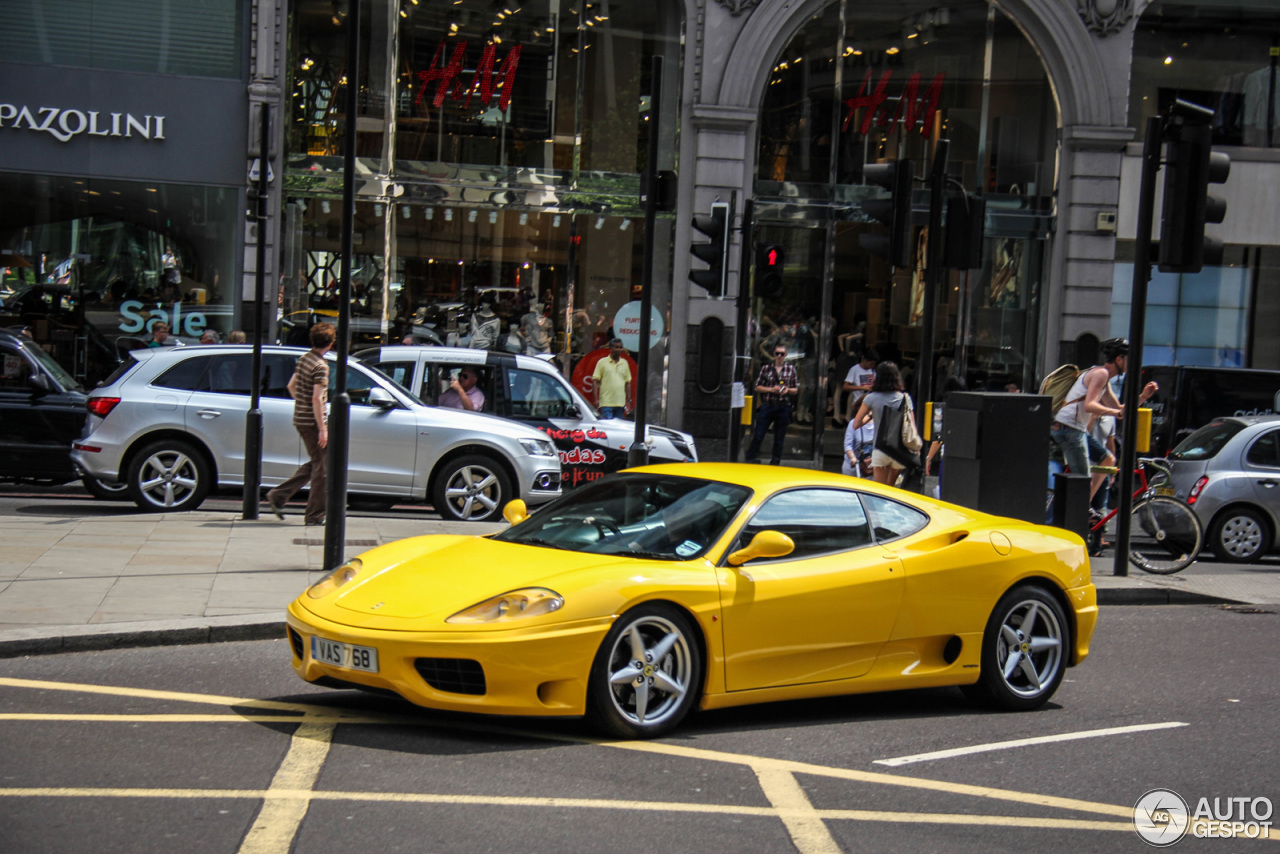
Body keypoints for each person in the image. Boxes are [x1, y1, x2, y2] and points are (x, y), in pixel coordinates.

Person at [1051, 337, 1157, 502]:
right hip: (1068, 429)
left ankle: (1085, 505)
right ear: (1119, 359)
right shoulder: (1101, 374)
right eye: (1129, 358)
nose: (1131, 363)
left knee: (1108, 460)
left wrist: (1143, 396)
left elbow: (1121, 410)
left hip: (1073, 429)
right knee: (1082, 482)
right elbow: (1090, 405)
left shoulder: (1104, 379)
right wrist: (1115, 413)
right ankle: (1079, 510)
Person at [266, 322, 335, 525]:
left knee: (317, 462)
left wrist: (301, 403)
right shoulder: (321, 367)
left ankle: (279, 495)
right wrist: (322, 428)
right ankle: (314, 515)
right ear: (330, 344)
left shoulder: (304, 359)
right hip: (313, 422)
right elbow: (317, 399)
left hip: (300, 418)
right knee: (322, 469)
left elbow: (291, 385)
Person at [852, 361, 911, 485]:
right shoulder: (905, 398)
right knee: (891, 490)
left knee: (879, 491)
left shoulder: (871, 398)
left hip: (880, 449)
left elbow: (856, 424)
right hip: (899, 449)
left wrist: (871, 415)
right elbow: (912, 425)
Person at [744, 343, 798, 465]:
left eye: (782, 354)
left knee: (779, 438)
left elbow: (795, 389)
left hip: (783, 406)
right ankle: (750, 459)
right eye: (777, 353)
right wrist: (771, 389)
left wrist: (787, 390)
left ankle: (775, 462)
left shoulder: (791, 369)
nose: (779, 356)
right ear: (773, 354)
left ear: (786, 355)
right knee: (758, 435)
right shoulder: (766, 368)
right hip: (768, 405)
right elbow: (757, 387)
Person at [591, 339, 632, 419]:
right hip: (606, 403)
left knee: (617, 428)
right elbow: (595, 380)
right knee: (608, 427)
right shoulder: (602, 362)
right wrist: (596, 399)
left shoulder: (624, 363)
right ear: (610, 349)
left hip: (620, 403)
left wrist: (628, 401)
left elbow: (628, 382)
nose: (618, 350)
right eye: (616, 347)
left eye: (620, 347)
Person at [840, 347, 878, 425]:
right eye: (871, 364)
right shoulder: (854, 369)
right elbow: (845, 386)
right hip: (859, 402)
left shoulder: (873, 371)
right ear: (865, 360)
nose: (872, 366)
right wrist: (862, 388)